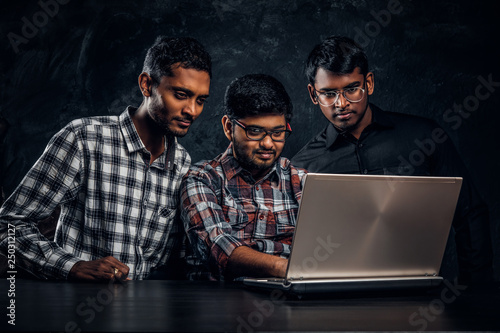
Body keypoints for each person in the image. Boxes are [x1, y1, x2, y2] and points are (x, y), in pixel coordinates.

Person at [0, 36, 211, 281]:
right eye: (181, 94)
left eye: (201, 100)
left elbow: (173, 259)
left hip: (144, 312)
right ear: (146, 85)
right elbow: (9, 225)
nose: (192, 111)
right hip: (73, 309)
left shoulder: (182, 163)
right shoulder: (84, 139)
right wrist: (72, 266)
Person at [292, 35, 494, 285]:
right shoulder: (303, 166)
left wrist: (476, 291)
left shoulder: (425, 137)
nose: (341, 103)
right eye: (329, 93)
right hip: (336, 300)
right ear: (313, 94)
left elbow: (470, 212)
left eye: (351, 89)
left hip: (419, 296)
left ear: (369, 82)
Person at [180, 74, 306, 280]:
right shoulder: (202, 179)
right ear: (229, 127)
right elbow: (216, 245)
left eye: (278, 132)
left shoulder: (301, 182)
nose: (268, 143)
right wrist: (285, 268)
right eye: (255, 132)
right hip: (221, 303)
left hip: (291, 301)